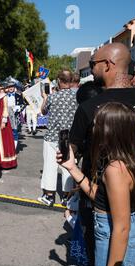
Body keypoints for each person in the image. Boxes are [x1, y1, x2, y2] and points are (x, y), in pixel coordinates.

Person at [70, 43, 135, 266]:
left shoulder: (91, 108)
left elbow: (73, 148)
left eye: (93, 63)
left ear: (108, 65)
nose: (91, 68)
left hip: (104, 208)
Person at [58, 102, 135, 266]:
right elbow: (102, 197)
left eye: (97, 125)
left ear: (110, 131)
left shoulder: (115, 169)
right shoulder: (130, 159)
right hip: (127, 241)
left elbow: (122, 227)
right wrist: (72, 168)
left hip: (117, 247)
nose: (93, 129)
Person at [38, 70, 77, 207]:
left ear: (59, 81)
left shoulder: (52, 97)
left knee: (50, 166)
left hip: (52, 136)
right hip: (68, 136)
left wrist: (44, 98)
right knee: (68, 166)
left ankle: (49, 196)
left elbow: (43, 111)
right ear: (71, 81)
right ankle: (66, 197)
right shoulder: (76, 96)